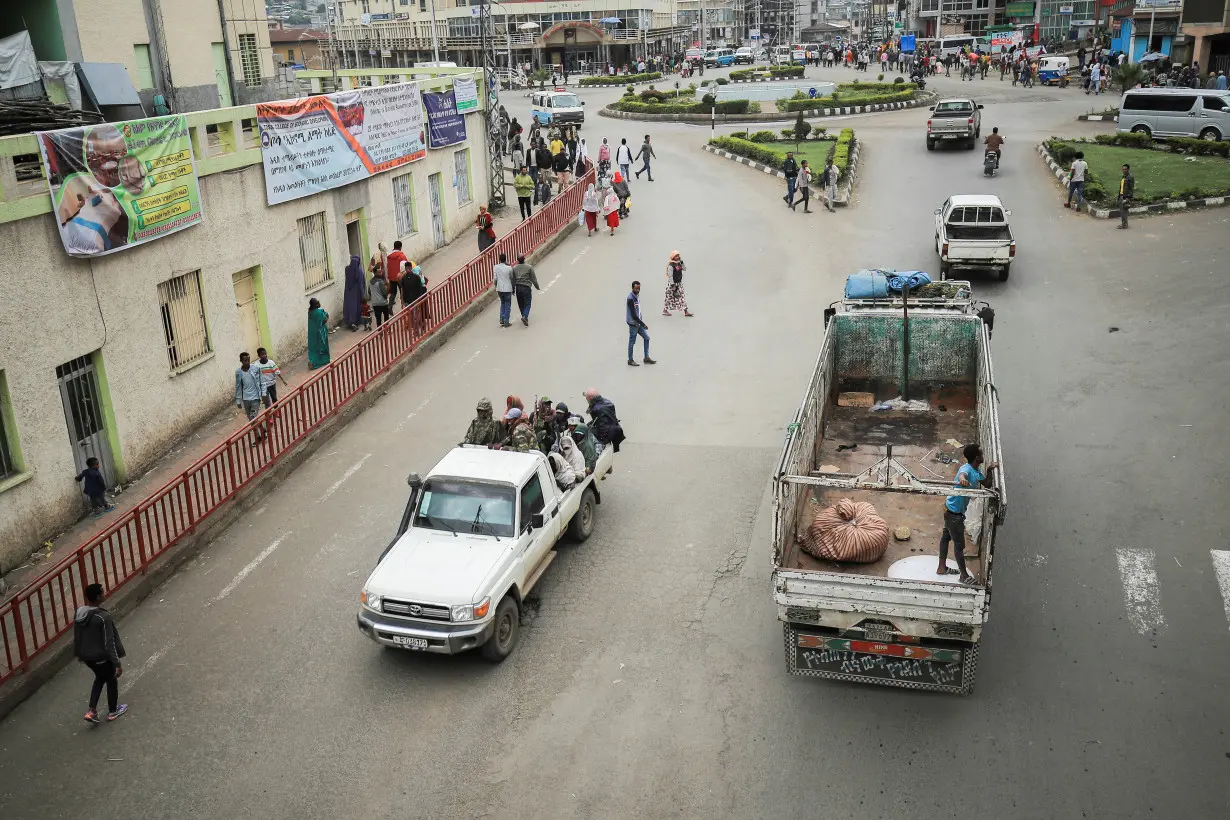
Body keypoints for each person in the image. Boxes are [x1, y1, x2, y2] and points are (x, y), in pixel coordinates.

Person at [938, 444, 998, 586]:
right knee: (959, 545)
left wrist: (989, 470)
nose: (983, 456)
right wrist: (963, 480)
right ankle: (963, 576)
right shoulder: (966, 469)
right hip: (954, 514)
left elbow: (987, 484)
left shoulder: (976, 471)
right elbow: (962, 475)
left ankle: (941, 567)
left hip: (950, 509)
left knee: (946, 537)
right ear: (977, 457)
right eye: (982, 454)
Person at [74, 583, 127, 724]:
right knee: (111, 680)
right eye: (102, 592)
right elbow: (109, 642)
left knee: (99, 678)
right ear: (98, 596)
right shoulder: (103, 618)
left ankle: (91, 711)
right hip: (100, 657)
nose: (105, 594)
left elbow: (78, 636)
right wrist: (117, 663)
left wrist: (80, 654)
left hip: (87, 657)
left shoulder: (80, 614)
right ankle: (113, 711)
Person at [233, 350, 266, 442]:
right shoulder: (238, 372)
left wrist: (263, 394)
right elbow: (238, 386)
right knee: (251, 419)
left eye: (248, 360)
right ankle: (259, 433)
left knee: (252, 417)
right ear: (241, 361)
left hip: (255, 398)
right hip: (246, 399)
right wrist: (238, 400)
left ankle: (260, 435)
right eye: (245, 360)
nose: (247, 362)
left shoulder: (255, 369)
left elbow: (262, 382)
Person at [584, 388, 627, 452]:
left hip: (609, 433)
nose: (587, 401)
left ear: (591, 398)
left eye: (587, 399)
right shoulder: (607, 402)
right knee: (587, 427)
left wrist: (602, 442)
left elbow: (603, 426)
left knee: (587, 433)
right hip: (615, 428)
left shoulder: (597, 409)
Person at [625, 280, 655, 366]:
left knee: (647, 338)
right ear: (632, 288)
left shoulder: (636, 297)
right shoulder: (630, 299)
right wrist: (643, 324)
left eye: (639, 288)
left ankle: (646, 357)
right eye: (636, 288)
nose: (638, 290)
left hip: (638, 323)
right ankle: (630, 360)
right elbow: (634, 315)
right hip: (634, 324)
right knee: (632, 342)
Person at [512, 254, 540, 326]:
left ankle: (524, 316)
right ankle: (525, 316)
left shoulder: (514, 268)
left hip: (518, 287)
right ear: (524, 259)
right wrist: (537, 287)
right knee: (527, 303)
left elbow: (513, 279)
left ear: (517, 260)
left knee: (520, 303)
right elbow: (534, 279)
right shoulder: (529, 267)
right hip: (526, 287)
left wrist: (512, 289)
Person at [663, 250, 693, 317]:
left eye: (678, 255)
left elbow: (684, 269)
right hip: (673, 284)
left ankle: (686, 311)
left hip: (679, 284)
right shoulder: (671, 265)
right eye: (676, 256)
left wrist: (682, 263)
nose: (677, 257)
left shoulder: (679, 263)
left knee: (682, 296)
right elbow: (670, 276)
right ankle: (665, 310)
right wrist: (673, 285)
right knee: (669, 297)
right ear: (673, 257)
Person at [343, 255, 365, 330]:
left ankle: (348, 321)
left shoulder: (347, 269)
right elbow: (361, 284)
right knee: (356, 306)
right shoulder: (359, 271)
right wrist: (363, 295)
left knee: (348, 306)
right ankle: (354, 322)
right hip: (356, 293)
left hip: (348, 291)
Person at [386, 240, 407, 311]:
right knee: (403, 292)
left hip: (392, 277)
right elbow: (405, 267)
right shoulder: (402, 256)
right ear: (400, 247)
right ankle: (403, 307)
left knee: (393, 293)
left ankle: (390, 306)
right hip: (400, 277)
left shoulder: (389, 256)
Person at [535, 139, 554, 203]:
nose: (544, 148)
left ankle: (550, 183)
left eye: (545, 147)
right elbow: (538, 159)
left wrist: (552, 167)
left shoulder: (549, 152)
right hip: (542, 167)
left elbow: (552, 159)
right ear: (542, 147)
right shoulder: (540, 152)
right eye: (543, 147)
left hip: (548, 167)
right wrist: (539, 166)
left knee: (548, 177)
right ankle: (544, 190)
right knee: (543, 179)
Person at [1118, 164, 1134, 229]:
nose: (1124, 170)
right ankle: (1123, 224)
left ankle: (1125, 225)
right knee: (1122, 211)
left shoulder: (1130, 177)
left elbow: (1131, 188)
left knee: (1124, 211)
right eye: (1123, 169)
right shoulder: (1123, 176)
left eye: (1125, 169)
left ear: (1128, 169)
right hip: (1121, 195)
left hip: (1126, 196)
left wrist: (1128, 197)